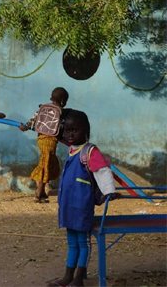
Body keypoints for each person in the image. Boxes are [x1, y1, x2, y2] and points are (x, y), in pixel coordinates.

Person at [48, 109, 119, 287]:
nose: (70, 134)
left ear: (85, 131)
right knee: (72, 243)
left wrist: (109, 191)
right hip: (67, 207)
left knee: (83, 242)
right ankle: (67, 276)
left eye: (75, 130)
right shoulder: (72, 150)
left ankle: (79, 278)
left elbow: (102, 171)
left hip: (81, 207)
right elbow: (58, 134)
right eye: (67, 130)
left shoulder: (89, 152)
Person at [20, 87, 69, 203]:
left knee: (48, 163)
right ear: (63, 100)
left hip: (41, 139)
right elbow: (62, 128)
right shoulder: (61, 112)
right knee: (45, 165)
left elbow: (33, 120)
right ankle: (38, 193)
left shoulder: (43, 108)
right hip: (51, 141)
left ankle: (41, 193)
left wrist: (25, 127)